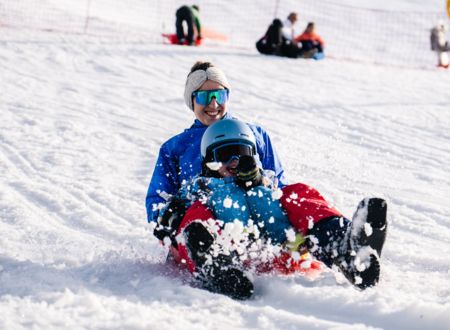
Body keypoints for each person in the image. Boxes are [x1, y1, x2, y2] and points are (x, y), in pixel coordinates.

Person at [154, 119, 388, 300]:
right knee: (196, 217)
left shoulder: (268, 183)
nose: (235, 161)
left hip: (287, 254)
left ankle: (344, 249)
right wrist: (172, 216)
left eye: (243, 153)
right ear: (209, 163)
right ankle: (216, 267)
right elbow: (172, 217)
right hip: (236, 259)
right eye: (225, 155)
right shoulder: (201, 190)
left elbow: (291, 200)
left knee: (297, 194)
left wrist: (257, 182)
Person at [145, 61, 286, 224]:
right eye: (203, 97)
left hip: (260, 219)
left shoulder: (254, 134)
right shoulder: (175, 148)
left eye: (219, 95)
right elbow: (157, 200)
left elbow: (279, 182)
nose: (213, 104)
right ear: (192, 101)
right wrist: (170, 217)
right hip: (204, 226)